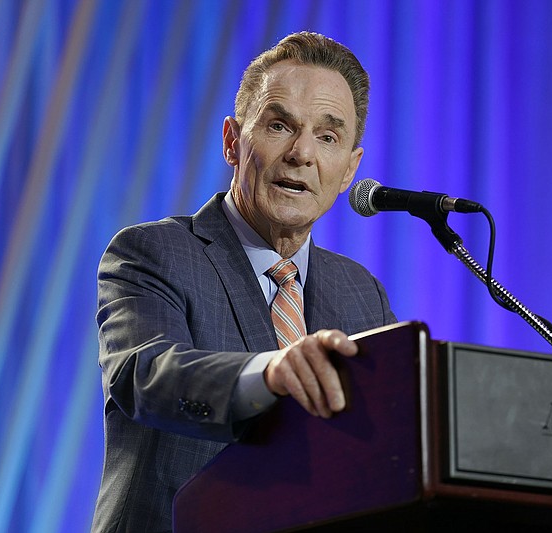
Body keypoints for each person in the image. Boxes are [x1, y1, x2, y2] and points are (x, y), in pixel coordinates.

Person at [90, 32, 396, 532]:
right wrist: (270, 374)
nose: (301, 153)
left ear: (349, 171)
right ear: (233, 141)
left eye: (327, 136)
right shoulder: (153, 253)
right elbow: (145, 376)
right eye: (279, 126)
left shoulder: (362, 292)